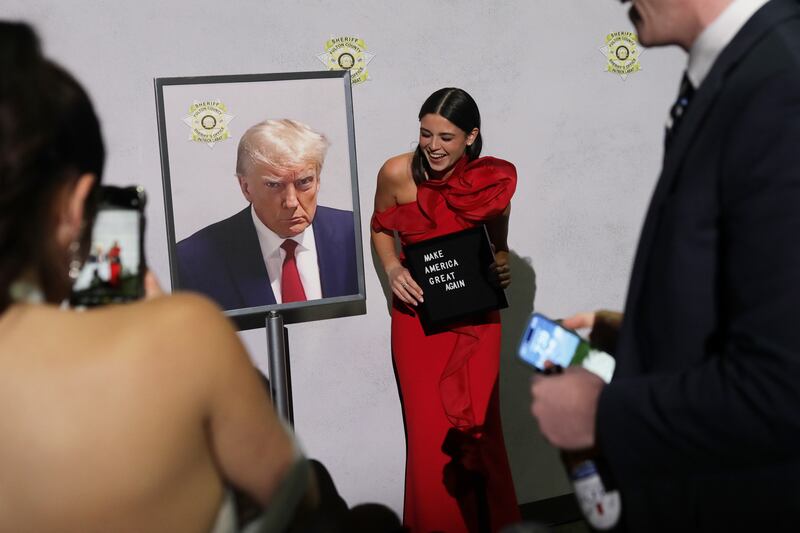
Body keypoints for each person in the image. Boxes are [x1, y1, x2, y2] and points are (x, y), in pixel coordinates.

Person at [0, 22, 314, 532]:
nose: (292, 200)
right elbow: (295, 491)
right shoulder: (182, 333)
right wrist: (171, 330)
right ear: (76, 206)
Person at [530, 0, 800, 530]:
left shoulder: (781, 89)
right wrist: (641, 336)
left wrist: (600, 415)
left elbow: (785, 386)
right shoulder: (749, 72)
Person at [372, 87, 520, 532]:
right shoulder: (396, 172)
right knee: (429, 437)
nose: (433, 146)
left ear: (471, 136)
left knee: (480, 433)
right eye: (426, 134)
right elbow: (380, 227)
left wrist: (501, 263)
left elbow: (498, 244)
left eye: (446, 137)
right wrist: (393, 268)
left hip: (477, 321)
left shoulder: (489, 182)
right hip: (419, 321)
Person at [176, 119, 359, 310]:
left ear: (318, 180)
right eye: (274, 185)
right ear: (245, 187)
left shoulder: (356, 233)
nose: (291, 202)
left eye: (304, 182)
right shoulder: (192, 261)